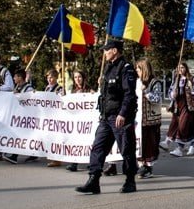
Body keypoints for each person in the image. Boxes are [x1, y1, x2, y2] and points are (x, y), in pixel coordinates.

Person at [75, 39, 138, 195]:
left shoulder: (126, 68)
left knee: (126, 150)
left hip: (120, 117)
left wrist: (123, 113)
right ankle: (93, 181)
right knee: (98, 147)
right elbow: (105, 95)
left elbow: (129, 95)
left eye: (107, 50)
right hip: (106, 117)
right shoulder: (109, 68)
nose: (104, 53)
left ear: (115, 50)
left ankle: (130, 181)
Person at [163, 62, 194, 157]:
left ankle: (180, 148)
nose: (180, 69)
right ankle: (192, 146)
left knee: (183, 126)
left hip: (188, 106)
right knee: (186, 126)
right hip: (177, 106)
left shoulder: (192, 79)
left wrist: (192, 93)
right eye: (179, 68)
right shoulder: (176, 79)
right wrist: (173, 94)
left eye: (182, 67)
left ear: (186, 68)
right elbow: (170, 92)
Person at [136, 58, 161, 179]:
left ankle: (148, 167)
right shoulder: (137, 82)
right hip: (138, 119)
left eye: (138, 68)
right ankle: (141, 164)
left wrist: (145, 92)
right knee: (140, 143)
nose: (137, 71)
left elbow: (157, 98)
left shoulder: (154, 82)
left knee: (150, 143)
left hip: (151, 120)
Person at [66, 70, 93, 173]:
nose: (78, 79)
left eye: (79, 77)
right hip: (76, 122)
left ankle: (90, 163)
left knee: (88, 143)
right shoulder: (72, 91)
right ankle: (74, 163)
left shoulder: (88, 90)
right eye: (76, 77)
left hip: (86, 121)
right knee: (76, 142)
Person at [43, 69, 67, 167]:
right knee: (50, 137)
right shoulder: (47, 88)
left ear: (56, 78)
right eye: (48, 77)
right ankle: (52, 156)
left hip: (57, 116)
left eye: (51, 77)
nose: (49, 79)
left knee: (56, 138)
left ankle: (57, 159)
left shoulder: (59, 88)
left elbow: (62, 100)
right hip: (49, 115)